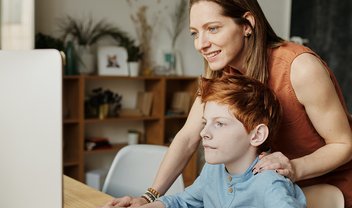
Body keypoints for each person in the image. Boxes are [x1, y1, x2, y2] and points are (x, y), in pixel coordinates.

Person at [103, 0, 352, 207]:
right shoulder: (221, 73)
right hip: (269, 189)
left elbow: (344, 144)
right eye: (195, 33)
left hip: (327, 189)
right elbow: (188, 137)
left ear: (247, 24)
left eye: (212, 29)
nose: (200, 44)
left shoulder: (300, 68)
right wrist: (149, 197)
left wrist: (294, 168)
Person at [102, 73, 306, 208]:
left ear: (257, 135)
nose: (203, 133)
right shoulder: (213, 170)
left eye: (219, 123)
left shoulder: (269, 182)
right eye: (205, 123)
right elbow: (183, 201)